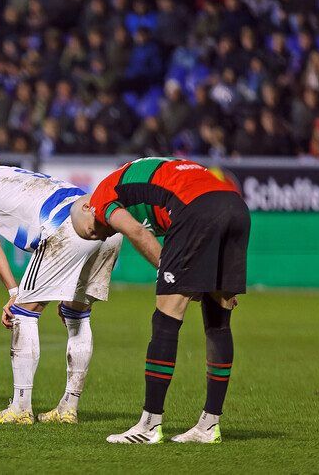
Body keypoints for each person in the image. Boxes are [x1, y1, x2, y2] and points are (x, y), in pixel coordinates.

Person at [70, 157, 250, 444]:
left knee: (165, 318)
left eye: (91, 230)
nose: (100, 235)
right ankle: (209, 425)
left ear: (86, 208)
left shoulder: (102, 196)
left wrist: (176, 276)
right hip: (234, 204)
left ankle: (149, 425)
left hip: (197, 207)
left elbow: (136, 232)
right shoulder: (139, 184)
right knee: (218, 320)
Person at [0, 148, 122, 424]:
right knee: (76, 315)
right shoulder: (16, 176)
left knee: (23, 313)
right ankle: (68, 408)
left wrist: (13, 292)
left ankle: (20, 408)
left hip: (69, 226)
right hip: (107, 223)